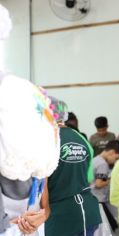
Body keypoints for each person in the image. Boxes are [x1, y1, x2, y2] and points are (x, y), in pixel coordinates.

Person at [0, 6, 59, 234]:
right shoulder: (23, 89)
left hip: (20, 217)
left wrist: (41, 213)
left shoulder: (13, 90)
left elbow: (38, 167)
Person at [45, 97, 102, 236]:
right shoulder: (81, 138)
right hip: (88, 213)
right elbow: (88, 177)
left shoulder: (47, 139)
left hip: (61, 218)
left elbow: (42, 183)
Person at [91, 140, 119, 232]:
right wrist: (113, 178)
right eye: (116, 158)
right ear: (112, 152)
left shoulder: (96, 159)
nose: (115, 161)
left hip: (95, 198)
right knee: (109, 227)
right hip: (99, 199)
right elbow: (99, 183)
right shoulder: (102, 164)